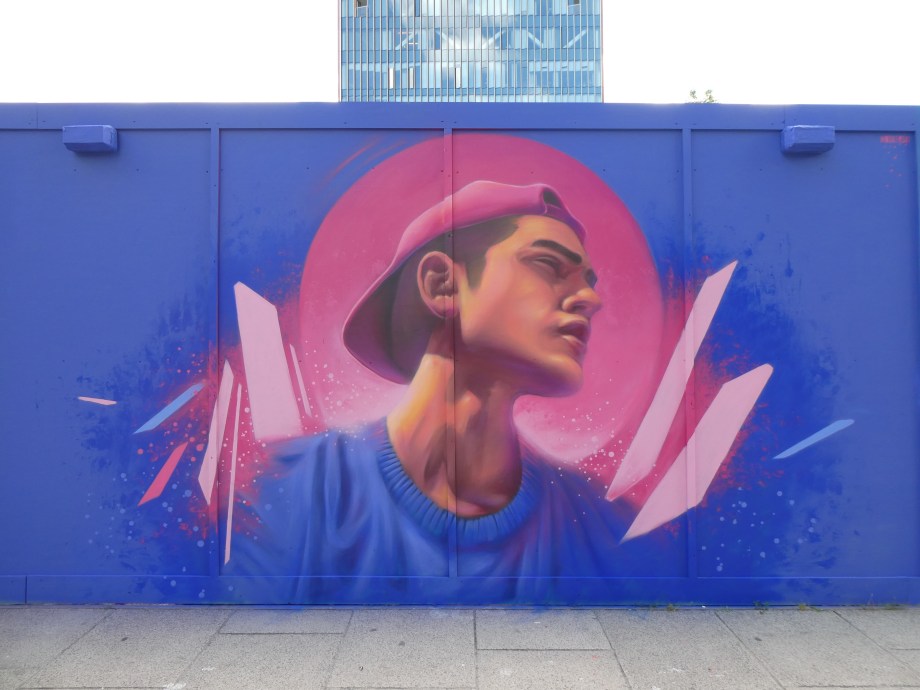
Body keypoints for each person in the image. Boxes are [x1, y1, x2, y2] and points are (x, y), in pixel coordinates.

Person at [231, 181, 642, 603]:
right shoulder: (285, 496)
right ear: (442, 285)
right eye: (549, 265)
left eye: (588, 281)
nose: (590, 299)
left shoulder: (608, 527)